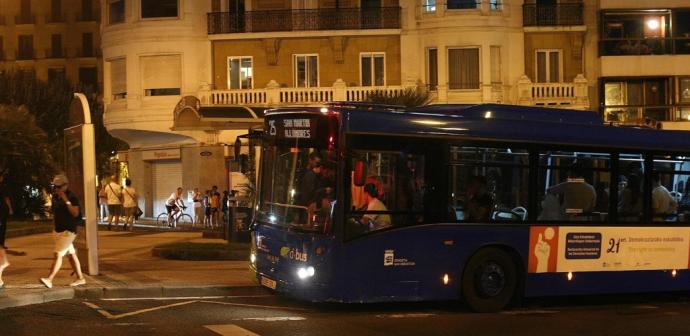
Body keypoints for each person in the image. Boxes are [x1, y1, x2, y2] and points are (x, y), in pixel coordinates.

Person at [39, 175, 86, 288]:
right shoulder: (55, 197)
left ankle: (50, 279)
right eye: (55, 186)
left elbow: (75, 213)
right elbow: (56, 214)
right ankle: (80, 278)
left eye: (59, 186)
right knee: (71, 255)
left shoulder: (71, 197)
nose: (57, 189)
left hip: (69, 230)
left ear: (66, 185)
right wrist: (54, 228)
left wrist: (66, 200)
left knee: (58, 254)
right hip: (58, 231)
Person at [0, 171, 13, 288]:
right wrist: (10, 209)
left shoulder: (2, 187)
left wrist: (9, 209)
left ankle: (3, 261)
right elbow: (7, 199)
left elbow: (6, 199)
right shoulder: (2, 187)